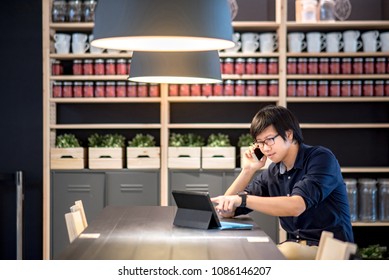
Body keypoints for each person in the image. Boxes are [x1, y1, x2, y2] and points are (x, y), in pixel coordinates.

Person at [211, 105, 354, 260]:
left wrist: (243, 199)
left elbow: (296, 206)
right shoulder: (273, 172)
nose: (265, 148)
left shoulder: (321, 159)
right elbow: (227, 209)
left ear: (289, 134)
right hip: (296, 249)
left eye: (269, 140)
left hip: (330, 252)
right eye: (259, 142)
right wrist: (248, 170)